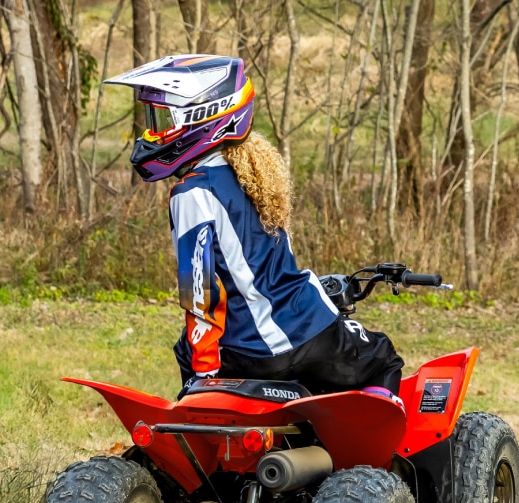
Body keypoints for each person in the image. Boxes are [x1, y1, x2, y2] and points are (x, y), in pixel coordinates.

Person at [104, 55, 404, 402]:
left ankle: (211, 423)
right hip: (308, 333)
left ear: (201, 116)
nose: (152, 133)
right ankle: (370, 425)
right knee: (383, 359)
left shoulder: (192, 192)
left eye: (163, 120)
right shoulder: (257, 176)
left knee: (187, 349)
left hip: (247, 352)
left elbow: (199, 292)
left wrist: (202, 380)